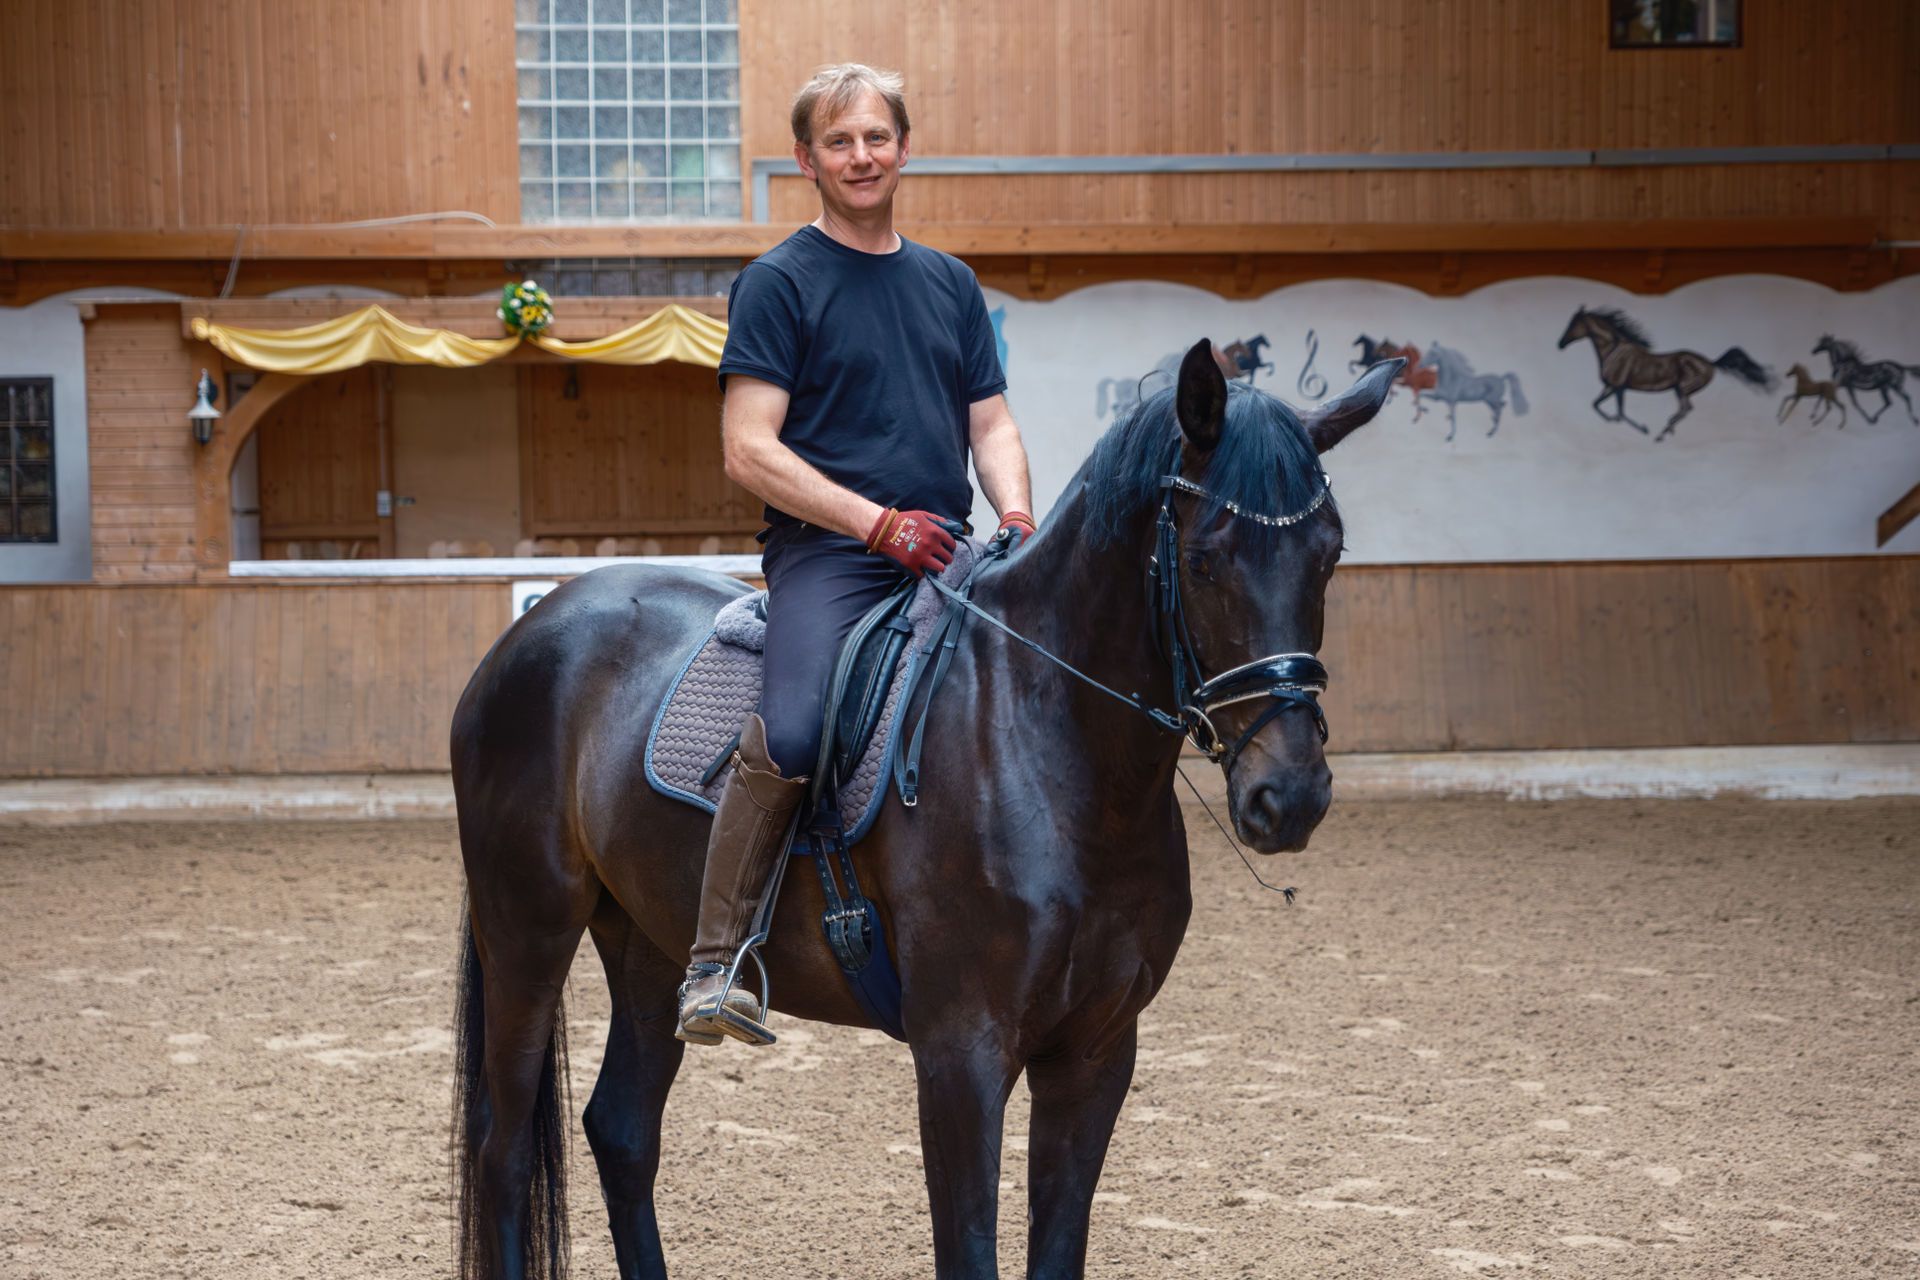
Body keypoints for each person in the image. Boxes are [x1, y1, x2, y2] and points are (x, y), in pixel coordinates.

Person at [677, 63, 1039, 1046]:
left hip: (949, 548)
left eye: (877, 136)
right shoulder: (778, 282)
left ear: (904, 148)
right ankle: (717, 960)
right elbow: (748, 447)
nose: (862, 156)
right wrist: (876, 523)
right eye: (839, 142)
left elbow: (991, 422)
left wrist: (1015, 515)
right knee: (795, 729)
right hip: (832, 556)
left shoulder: (949, 283)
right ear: (807, 161)